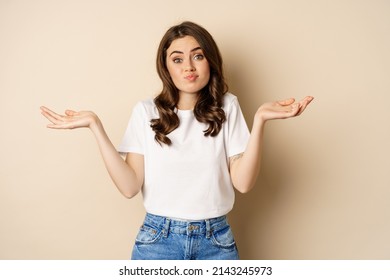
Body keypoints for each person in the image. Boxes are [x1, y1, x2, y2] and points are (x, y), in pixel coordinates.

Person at [40, 21, 313, 260]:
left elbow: (242, 183)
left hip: (216, 241)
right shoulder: (146, 111)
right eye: (178, 59)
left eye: (198, 56)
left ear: (211, 61)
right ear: (166, 66)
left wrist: (261, 120)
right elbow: (129, 186)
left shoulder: (228, 107)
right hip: (158, 241)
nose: (189, 67)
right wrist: (95, 126)